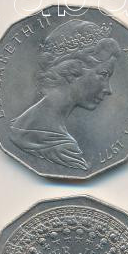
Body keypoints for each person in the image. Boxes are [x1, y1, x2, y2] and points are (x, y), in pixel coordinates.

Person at [10, 19, 119, 171]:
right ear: (72, 70)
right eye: (104, 74)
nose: (108, 89)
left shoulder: (19, 126)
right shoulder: (63, 148)